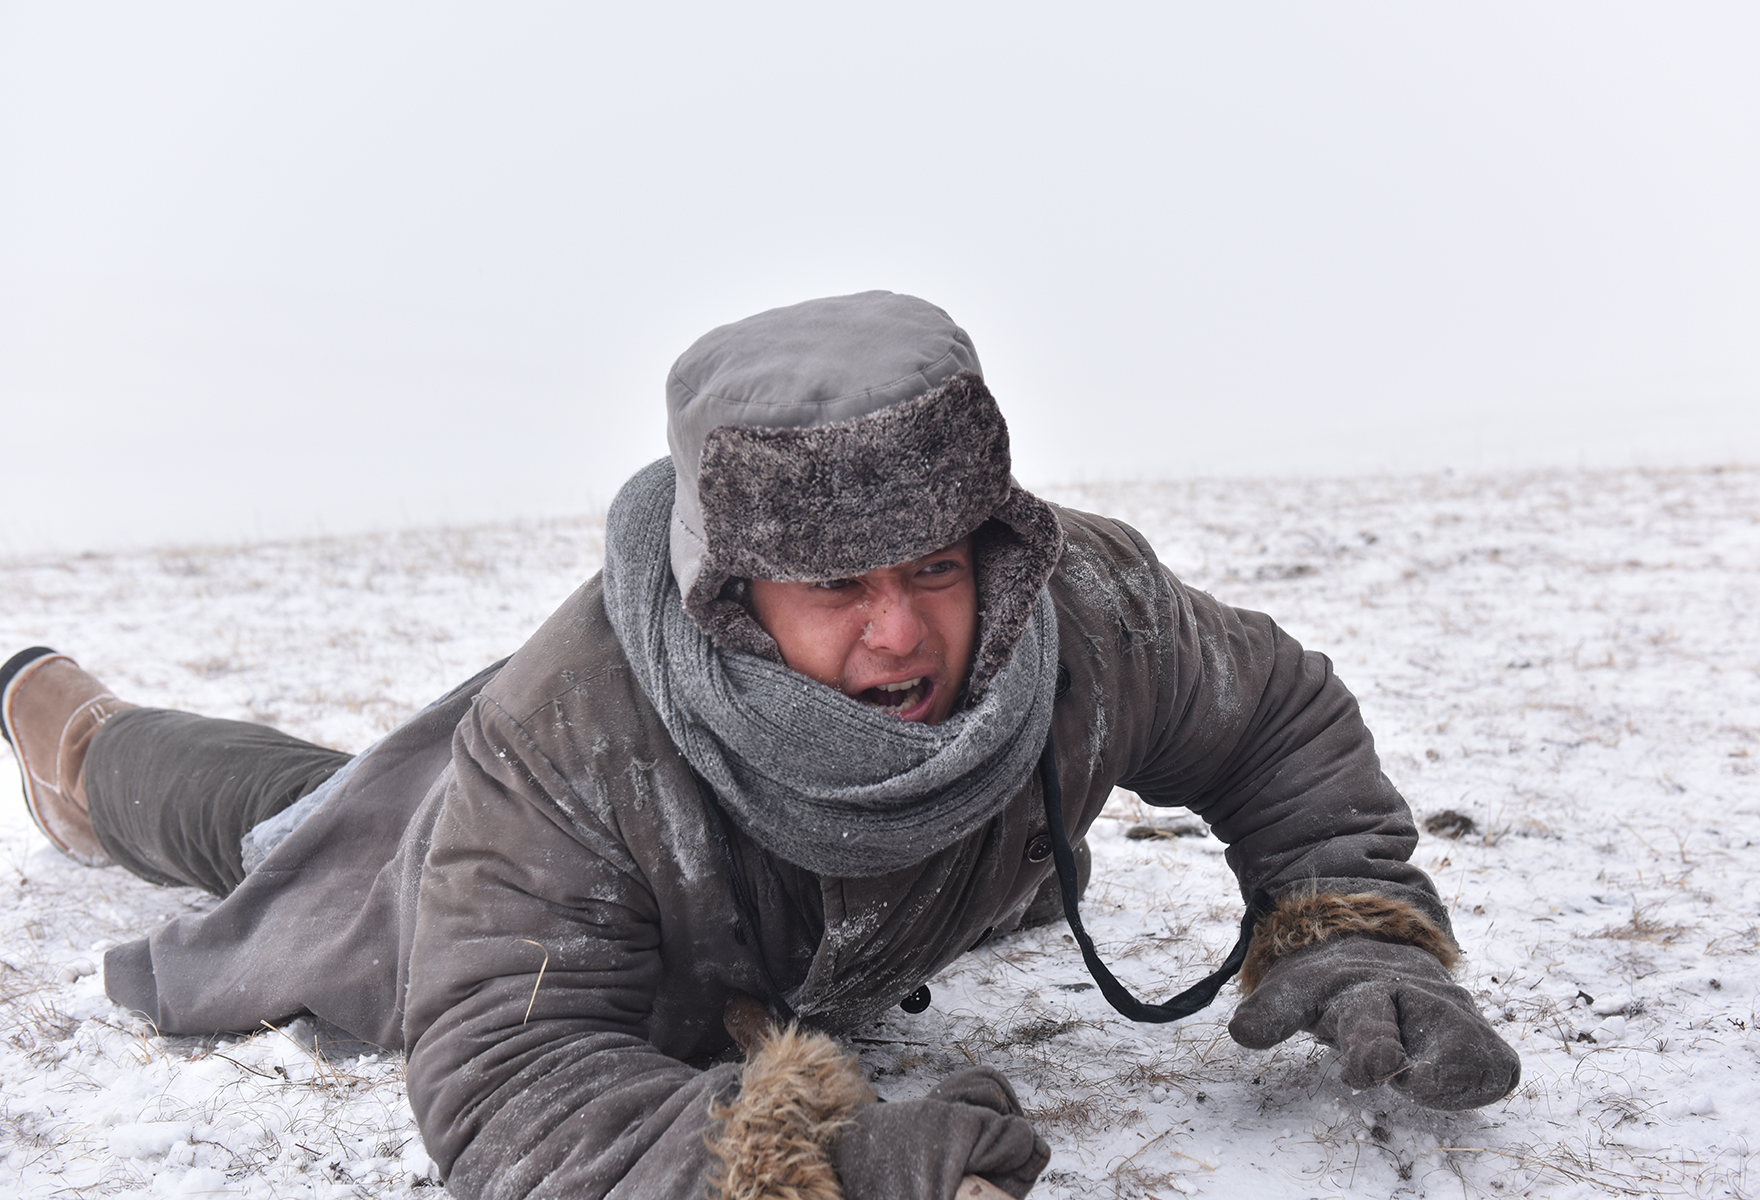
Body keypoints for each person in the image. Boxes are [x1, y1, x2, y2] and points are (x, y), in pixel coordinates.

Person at [0, 291, 1520, 1200]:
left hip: (604, 848)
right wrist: (809, 1165)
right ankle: (69, 724)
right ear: (733, 597)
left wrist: (1353, 930)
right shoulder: (572, 742)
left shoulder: (1087, 615)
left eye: (934, 570)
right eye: (836, 590)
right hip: (464, 847)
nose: (902, 637)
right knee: (288, 830)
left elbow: (1275, 720)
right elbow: (508, 1069)